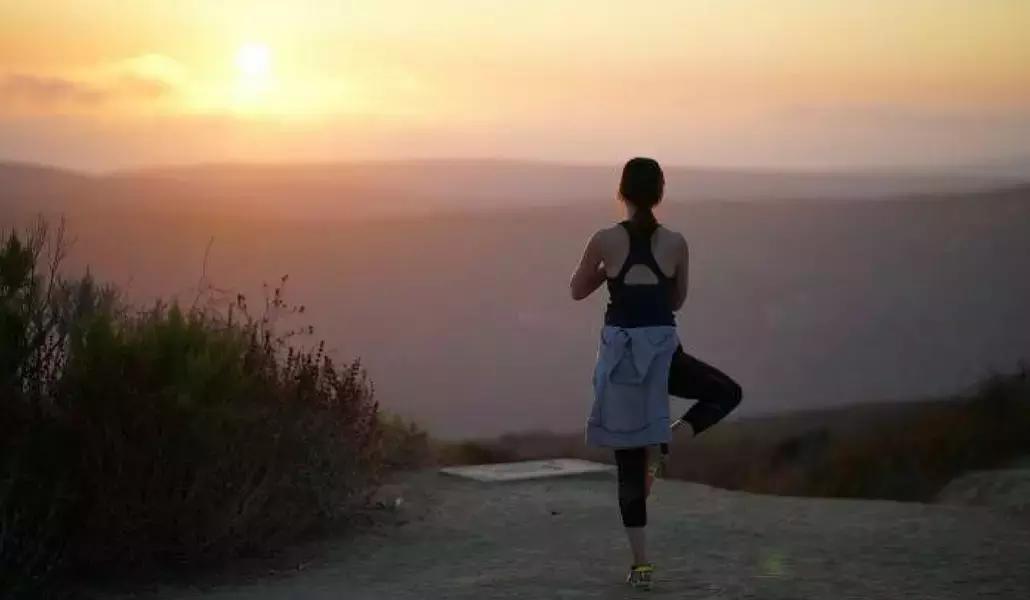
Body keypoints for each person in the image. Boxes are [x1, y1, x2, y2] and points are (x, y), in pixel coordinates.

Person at [570, 157, 742, 591]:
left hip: (622, 362)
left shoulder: (604, 239)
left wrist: (610, 271)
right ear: (660, 194)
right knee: (725, 392)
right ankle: (670, 438)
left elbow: (576, 289)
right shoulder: (677, 243)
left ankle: (642, 566)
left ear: (621, 192)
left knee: (628, 465)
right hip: (664, 356)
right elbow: (677, 301)